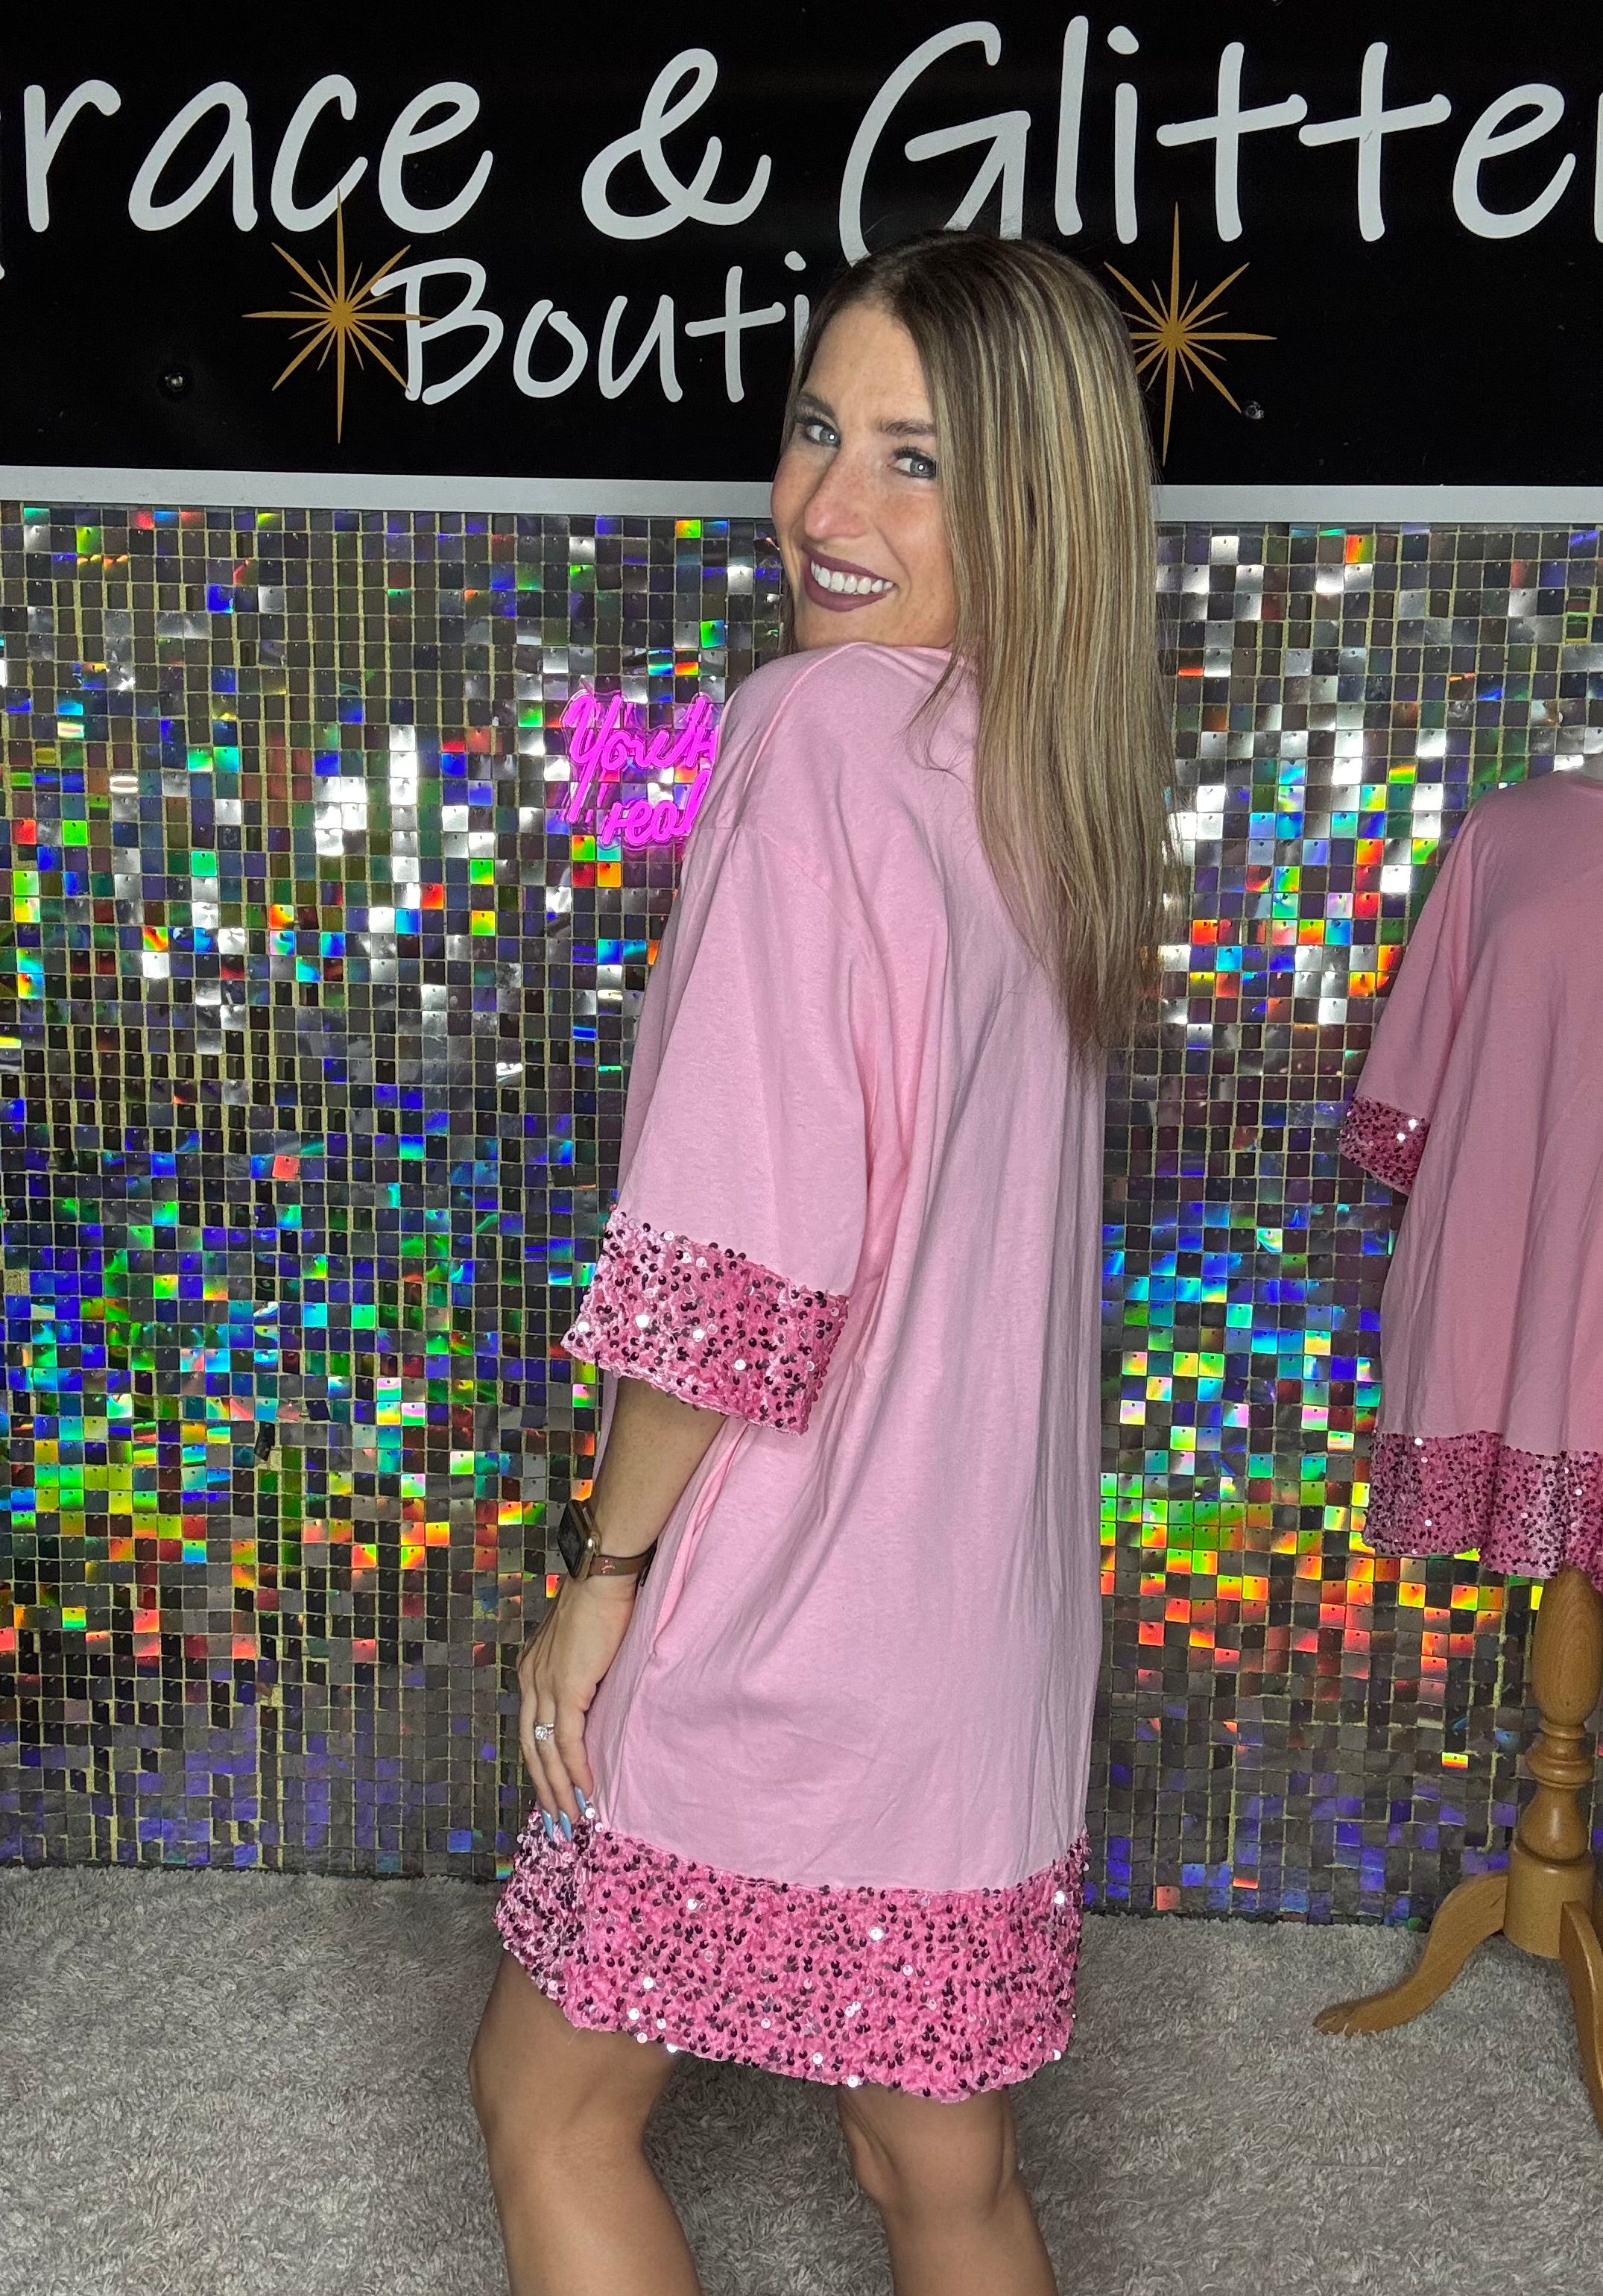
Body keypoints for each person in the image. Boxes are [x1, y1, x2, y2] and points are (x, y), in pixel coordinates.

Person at [468, 230, 1174, 2296]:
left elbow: (733, 1268)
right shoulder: (1053, 769)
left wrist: (602, 1580)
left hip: (793, 1608)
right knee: (936, 2173)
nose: (824, 508)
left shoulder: (809, 735)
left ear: (1032, 496)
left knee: (547, 2108)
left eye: (914, 459)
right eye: (812, 430)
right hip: (978, 1646)